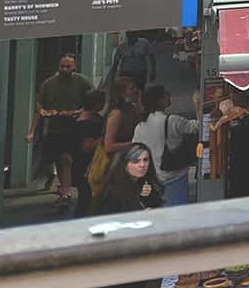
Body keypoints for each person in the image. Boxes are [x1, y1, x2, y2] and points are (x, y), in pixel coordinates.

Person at [95, 144, 164, 288]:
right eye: (136, 161)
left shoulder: (146, 185)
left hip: (138, 254)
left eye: (145, 160)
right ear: (125, 164)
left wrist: (149, 199)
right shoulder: (113, 191)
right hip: (120, 257)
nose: (142, 165)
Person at [26, 51, 92, 210]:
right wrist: (32, 131)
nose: (65, 69)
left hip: (76, 127)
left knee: (67, 160)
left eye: (68, 66)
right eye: (62, 66)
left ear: (74, 66)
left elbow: (94, 102)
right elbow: (39, 108)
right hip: (55, 128)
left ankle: (66, 192)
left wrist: (80, 112)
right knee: (59, 160)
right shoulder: (48, 84)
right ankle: (64, 189)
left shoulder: (83, 82)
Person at [134, 83, 199, 207]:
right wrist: (198, 105)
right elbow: (198, 126)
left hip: (153, 180)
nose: (169, 96)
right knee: (178, 214)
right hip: (175, 177)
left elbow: (135, 149)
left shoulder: (140, 126)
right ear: (159, 100)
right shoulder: (173, 121)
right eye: (166, 94)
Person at [86, 75, 142, 209]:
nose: (135, 91)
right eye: (131, 89)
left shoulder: (131, 110)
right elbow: (109, 146)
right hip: (116, 166)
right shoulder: (116, 114)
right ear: (121, 93)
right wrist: (134, 144)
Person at [72, 89, 107, 216]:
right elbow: (87, 147)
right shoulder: (87, 124)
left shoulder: (88, 118)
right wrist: (104, 137)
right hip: (86, 166)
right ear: (97, 103)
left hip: (85, 165)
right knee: (86, 199)